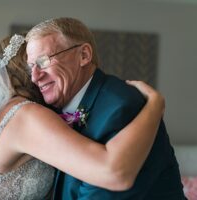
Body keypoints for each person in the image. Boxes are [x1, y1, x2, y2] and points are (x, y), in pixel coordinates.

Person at [0, 33, 163, 200]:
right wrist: (154, 105)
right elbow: (113, 172)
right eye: (40, 61)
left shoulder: (3, 112)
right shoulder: (27, 116)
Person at [25, 17, 186, 199]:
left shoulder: (123, 107)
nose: (34, 77)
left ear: (84, 55)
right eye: (31, 67)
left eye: (43, 62)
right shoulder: (50, 113)